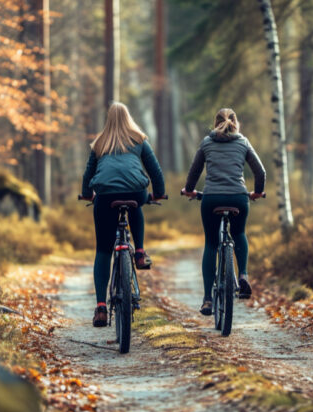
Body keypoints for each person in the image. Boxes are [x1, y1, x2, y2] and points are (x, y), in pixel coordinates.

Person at [81, 102, 165, 327]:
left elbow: (88, 175)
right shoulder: (139, 139)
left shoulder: (100, 143)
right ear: (128, 118)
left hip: (105, 197)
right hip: (136, 192)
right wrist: (158, 194)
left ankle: (100, 307)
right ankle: (139, 251)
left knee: (103, 250)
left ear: (109, 119)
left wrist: (87, 194)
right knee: (136, 203)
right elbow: (155, 170)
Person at [182, 108, 266, 316]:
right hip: (238, 197)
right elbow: (260, 171)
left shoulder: (207, 142)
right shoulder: (243, 142)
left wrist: (190, 189)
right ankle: (244, 274)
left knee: (211, 243)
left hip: (211, 199)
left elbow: (194, 171)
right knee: (239, 234)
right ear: (236, 123)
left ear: (215, 122)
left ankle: (208, 299)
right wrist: (257, 192)